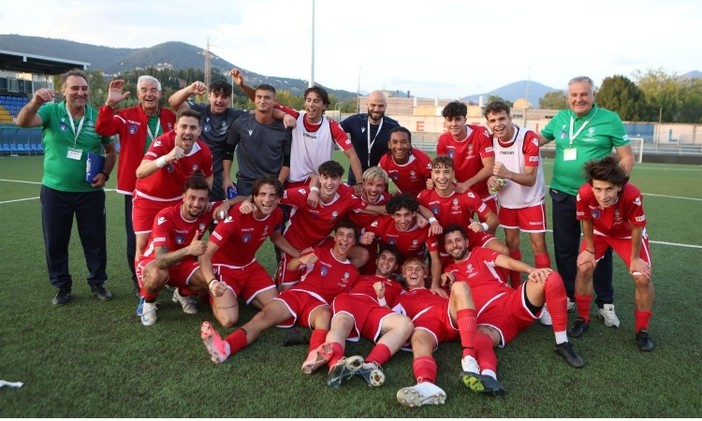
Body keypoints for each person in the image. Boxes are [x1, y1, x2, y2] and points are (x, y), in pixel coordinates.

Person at [441, 225, 585, 395]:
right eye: (449, 242)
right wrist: (441, 281)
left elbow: (505, 261)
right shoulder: (448, 272)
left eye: (458, 240)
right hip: (490, 321)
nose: (454, 245)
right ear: (445, 247)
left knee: (549, 276)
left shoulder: (479, 253)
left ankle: (562, 343)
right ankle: (489, 377)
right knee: (479, 338)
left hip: (512, 302)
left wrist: (531, 270)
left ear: (466, 241)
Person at [539, 76, 635, 327]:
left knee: (601, 250)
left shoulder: (610, 118)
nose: (578, 99)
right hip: (562, 193)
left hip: (597, 199)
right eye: (574, 94)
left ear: (593, 95)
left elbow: (626, 157)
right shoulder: (559, 118)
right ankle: (571, 295)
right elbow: (533, 143)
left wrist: (616, 188)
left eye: (584, 94)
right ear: (568, 96)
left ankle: (605, 302)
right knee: (565, 248)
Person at [199, 220, 360, 366]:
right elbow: (291, 267)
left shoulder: (352, 272)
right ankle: (225, 347)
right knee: (262, 317)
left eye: (349, 236)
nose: (344, 240)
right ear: (335, 237)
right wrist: (300, 260)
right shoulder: (318, 252)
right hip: (297, 295)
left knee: (325, 316)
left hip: (318, 305)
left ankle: (314, 355)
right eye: (341, 235)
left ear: (354, 242)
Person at [17, 68, 116, 305]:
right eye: (74, 88)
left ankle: (97, 283)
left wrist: (104, 173)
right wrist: (35, 101)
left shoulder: (97, 117)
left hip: (90, 192)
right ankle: (62, 287)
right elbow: (23, 122)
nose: (80, 93)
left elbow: (111, 151)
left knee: (94, 240)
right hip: (55, 191)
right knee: (56, 241)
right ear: (63, 91)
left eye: (84, 88)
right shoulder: (51, 111)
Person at [96, 75, 177, 297]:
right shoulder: (125, 116)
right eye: (144, 90)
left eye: (153, 90)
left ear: (160, 94)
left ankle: (171, 277)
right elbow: (102, 129)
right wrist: (110, 104)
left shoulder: (170, 117)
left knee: (169, 234)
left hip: (169, 189)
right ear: (139, 93)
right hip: (136, 188)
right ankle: (139, 279)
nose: (149, 94)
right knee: (138, 238)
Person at [570, 156, 655, 351]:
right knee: (583, 268)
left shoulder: (632, 194)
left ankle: (642, 330)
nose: (603, 195)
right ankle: (582, 318)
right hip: (599, 232)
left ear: (619, 186)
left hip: (626, 234)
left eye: (609, 189)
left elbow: (636, 227)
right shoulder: (583, 193)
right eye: (598, 189)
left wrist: (634, 259)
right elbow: (587, 221)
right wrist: (590, 250)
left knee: (642, 278)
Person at [191, 176, 299, 328]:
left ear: (278, 199)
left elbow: (277, 238)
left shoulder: (277, 214)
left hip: (249, 267)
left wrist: (299, 255)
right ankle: (209, 293)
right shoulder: (237, 215)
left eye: (272, 195)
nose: (267, 199)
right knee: (229, 320)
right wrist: (212, 282)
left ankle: (240, 291)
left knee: (278, 308)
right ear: (254, 197)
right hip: (225, 268)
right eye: (262, 194)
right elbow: (205, 254)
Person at [300, 245, 413, 388]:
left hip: (375, 309)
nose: (386, 262)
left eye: (391, 260)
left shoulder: (399, 288)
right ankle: (336, 366)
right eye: (383, 258)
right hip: (352, 300)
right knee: (341, 323)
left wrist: (381, 297)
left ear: (396, 266)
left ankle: (369, 365)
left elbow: (392, 311)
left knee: (406, 324)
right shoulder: (358, 276)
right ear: (377, 260)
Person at [483, 100, 552, 321]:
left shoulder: (528, 138)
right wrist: (493, 182)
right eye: (492, 120)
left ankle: (546, 298)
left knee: (537, 245)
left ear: (510, 118)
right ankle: (516, 291)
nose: (498, 124)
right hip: (508, 203)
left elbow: (531, 179)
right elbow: (493, 175)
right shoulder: (491, 140)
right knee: (511, 245)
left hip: (531, 201)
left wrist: (506, 173)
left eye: (501, 118)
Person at [274, 160, 383, 288]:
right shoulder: (304, 194)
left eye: (334, 178)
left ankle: (331, 275)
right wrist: (248, 202)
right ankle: (283, 273)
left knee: (362, 255)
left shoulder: (346, 196)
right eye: (325, 177)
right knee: (286, 291)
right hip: (295, 247)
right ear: (319, 178)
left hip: (321, 244)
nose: (329, 183)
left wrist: (398, 210)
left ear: (340, 180)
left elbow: (374, 208)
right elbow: (272, 197)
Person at [392, 257, 484, 407]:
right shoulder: (400, 297)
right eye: (409, 269)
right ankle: (426, 385)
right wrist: (381, 299)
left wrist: (447, 279)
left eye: (418, 269)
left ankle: (469, 358)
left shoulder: (438, 290)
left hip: (448, 315)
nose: (413, 272)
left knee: (460, 286)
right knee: (418, 338)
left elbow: (460, 295)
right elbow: (391, 320)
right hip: (426, 324)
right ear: (403, 274)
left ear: (425, 274)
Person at [417, 156, 507, 295]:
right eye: (437, 172)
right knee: (442, 285)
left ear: (453, 174)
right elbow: (412, 209)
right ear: (431, 174)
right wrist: (423, 217)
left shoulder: (465, 193)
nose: (442, 177)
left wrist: (482, 226)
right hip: (443, 244)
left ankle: (500, 286)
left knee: (503, 251)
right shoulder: (424, 196)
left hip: (469, 236)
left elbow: (493, 219)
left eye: (446, 172)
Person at [133, 109, 214, 261]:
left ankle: (175, 281)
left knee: (174, 244)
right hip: (148, 198)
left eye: (193, 128)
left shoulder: (203, 151)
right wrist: (166, 158)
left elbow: (209, 175)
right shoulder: (163, 143)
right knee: (143, 246)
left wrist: (206, 198)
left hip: (175, 201)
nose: (188, 131)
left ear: (199, 131)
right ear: (175, 128)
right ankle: (142, 284)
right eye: (183, 127)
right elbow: (140, 172)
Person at [135, 176, 215, 326]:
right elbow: (160, 260)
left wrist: (228, 204)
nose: (197, 204)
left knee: (208, 278)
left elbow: (241, 201)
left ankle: (181, 294)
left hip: (183, 263)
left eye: (202, 200)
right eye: (192, 198)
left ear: (207, 201)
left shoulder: (207, 211)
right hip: (154, 261)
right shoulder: (166, 216)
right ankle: (148, 302)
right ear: (183, 197)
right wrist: (189, 250)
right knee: (159, 274)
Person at [168, 70, 255, 200]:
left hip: (216, 175)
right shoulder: (199, 110)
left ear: (229, 99)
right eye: (216, 95)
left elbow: (262, 109)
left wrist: (243, 85)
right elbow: (173, 102)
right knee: (188, 212)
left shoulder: (234, 115)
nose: (220, 100)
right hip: (190, 173)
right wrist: (190, 89)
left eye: (224, 97)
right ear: (209, 96)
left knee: (213, 214)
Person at [276, 86, 364, 191]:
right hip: (294, 183)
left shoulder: (331, 126)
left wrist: (359, 183)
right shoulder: (296, 116)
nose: (311, 104)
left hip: (320, 185)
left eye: (316, 101)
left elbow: (352, 154)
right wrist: (284, 115)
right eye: (308, 100)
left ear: (324, 106)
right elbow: (268, 106)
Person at [224, 84, 292, 197]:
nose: (262, 101)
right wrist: (226, 178)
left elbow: (287, 161)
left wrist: (278, 184)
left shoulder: (284, 129)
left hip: (271, 186)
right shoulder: (241, 123)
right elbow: (228, 150)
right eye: (259, 97)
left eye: (267, 97)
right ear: (254, 99)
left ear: (275, 101)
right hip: (245, 185)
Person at [361, 194, 441, 285]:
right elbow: (361, 234)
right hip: (388, 267)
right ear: (392, 215)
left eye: (406, 215)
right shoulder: (382, 222)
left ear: (414, 213)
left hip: (412, 270)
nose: (402, 221)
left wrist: (434, 285)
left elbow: (435, 260)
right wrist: (361, 238)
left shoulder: (425, 228)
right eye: (398, 215)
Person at [436, 100, 496, 214]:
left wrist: (467, 184)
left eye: (458, 119)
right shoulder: (443, 140)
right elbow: (443, 170)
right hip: (462, 192)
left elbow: (490, 167)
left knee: (491, 225)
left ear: (465, 120)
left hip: (485, 191)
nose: (453, 124)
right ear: (445, 122)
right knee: (463, 229)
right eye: (449, 120)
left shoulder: (480, 132)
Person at [340, 90, 399, 185]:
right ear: (367, 104)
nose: (376, 109)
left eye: (380, 106)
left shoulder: (393, 126)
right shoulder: (355, 120)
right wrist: (328, 121)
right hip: (355, 181)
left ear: (385, 106)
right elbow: (334, 130)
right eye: (373, 105)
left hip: (379, 182)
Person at [378, 126, 432, 197]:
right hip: (405, 197)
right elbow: (381, 187)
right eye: (395, 142)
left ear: (410, 144)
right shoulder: (384, 161)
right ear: (389, 144)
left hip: (424, 198)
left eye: (404, 142)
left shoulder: (422, 159)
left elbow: (434, 188)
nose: (399, 146)